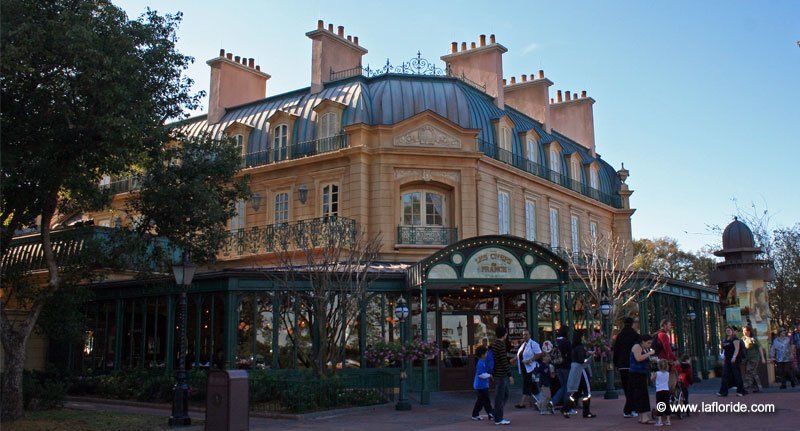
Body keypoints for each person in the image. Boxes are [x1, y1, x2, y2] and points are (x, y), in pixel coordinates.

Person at [562, 329, 596, 419]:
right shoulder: (580, 347)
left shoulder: (574, 347)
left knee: (574, 391)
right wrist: (588, 357)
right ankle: (586, 411)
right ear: (581, 338)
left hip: (575, 370)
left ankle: (566, 408)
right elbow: (582, 360)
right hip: (581, 370)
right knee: (587, 391)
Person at [612, 317, 641, 418]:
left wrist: (616, 364)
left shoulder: (620, 336)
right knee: (632, 387)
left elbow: (616, 351)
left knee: (626, 387)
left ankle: (630, 408)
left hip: (622, 365)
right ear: (632, 324)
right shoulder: (635, 335)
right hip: (632, 364)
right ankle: (630, 409)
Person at [630, 334, 656, 424]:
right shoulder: (637, 347)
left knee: (641, 394)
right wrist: (649, 354)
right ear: (643, 341)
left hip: (640, 373)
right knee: (641, 395)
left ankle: (642, 417)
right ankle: (644, 417)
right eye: (648, 343)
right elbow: (638, 358)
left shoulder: (642, 348)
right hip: (637, 374)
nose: (649, 345)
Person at [491, 326, 514, 425]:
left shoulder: (494, 344)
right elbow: (503, 362)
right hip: (501, 375)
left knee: (504, 395)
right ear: (504, 334)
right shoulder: (500, 345)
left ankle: (495, 413)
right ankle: (498, 418)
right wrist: (510, 375)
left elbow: (499, 360)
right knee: (500, 397)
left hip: (497, 373)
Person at [514, 329, 542, 409]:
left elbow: (539, 354)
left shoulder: (534, 344)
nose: (524, 336)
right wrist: (514, 359)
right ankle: (541, 401)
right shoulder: (523, 345)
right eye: (523, 335)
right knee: (533, 387)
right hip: (524, 368)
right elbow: (520, 355)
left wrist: (530, 360)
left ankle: (521, 403)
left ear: (530, 335)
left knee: (527, 384)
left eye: (526, 334)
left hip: (531, 368)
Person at [718, 325, 746, 397]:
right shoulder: (725, 340)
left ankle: (740, 391)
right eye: (727, 331)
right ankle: (723, 392)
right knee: (725, 375)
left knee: (737, 375)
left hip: (734, 360)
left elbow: (737, 349)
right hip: (727, 359)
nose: (728, 332)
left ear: (732, 331)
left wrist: (734, 357)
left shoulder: (735, 339)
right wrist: (723, 358)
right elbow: (724, 350)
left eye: (729, 330)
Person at [551, 325, 572, 410]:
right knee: (567, 386)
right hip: (566, 366)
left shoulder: (556, 341)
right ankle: (563, 405)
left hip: (557, 366)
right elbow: (570, 355)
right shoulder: (566, 342)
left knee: (563, 385)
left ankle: (556, 402)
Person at [471, 345, 494, 421]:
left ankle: (475, 414)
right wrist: (490, 375)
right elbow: (480, 374)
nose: (487, 354)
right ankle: (490, 413)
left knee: (480, 401)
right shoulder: (480, 363)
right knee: (486, 400)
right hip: (480, 386)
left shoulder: (483, 362)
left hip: (482, 385)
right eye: (486, 353)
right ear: (482, 355)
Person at [741, 325, 766, 393]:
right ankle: (758, 387)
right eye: (743, 331)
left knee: (749, 371)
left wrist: (763, 358)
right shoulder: (743, 339)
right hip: (747, 358)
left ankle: (746, 387)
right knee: (753, 373)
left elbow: (760, 347)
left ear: (749, 331)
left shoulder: (752, 339)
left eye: (746, 331)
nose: (744, 332)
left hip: (754, 358)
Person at [653, 359, 672, 426]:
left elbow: (652, 378)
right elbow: (668, 381)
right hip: (666, 391)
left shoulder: (657, 373)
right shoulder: (668, 374)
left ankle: (660, 421)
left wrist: (652, 375)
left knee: (660, 405)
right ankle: (668, 421)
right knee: (667, 405)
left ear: (659, 366)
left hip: (659, 391)